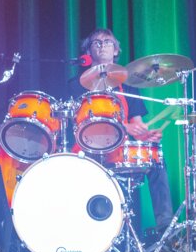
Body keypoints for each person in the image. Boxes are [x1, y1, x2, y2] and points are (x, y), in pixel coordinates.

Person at [67, 28, 174, 240]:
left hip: (120, 152)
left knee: (157, 160)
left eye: (107, 42)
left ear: (116, 50)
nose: (101, 45)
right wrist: (124, 127)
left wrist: (146, 135)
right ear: (88, 51)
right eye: (95, 42)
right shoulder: (76, 84)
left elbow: (138, 124)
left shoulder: (128, 86)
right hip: (88, 152)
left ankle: (166, 231)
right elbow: (80, 125)